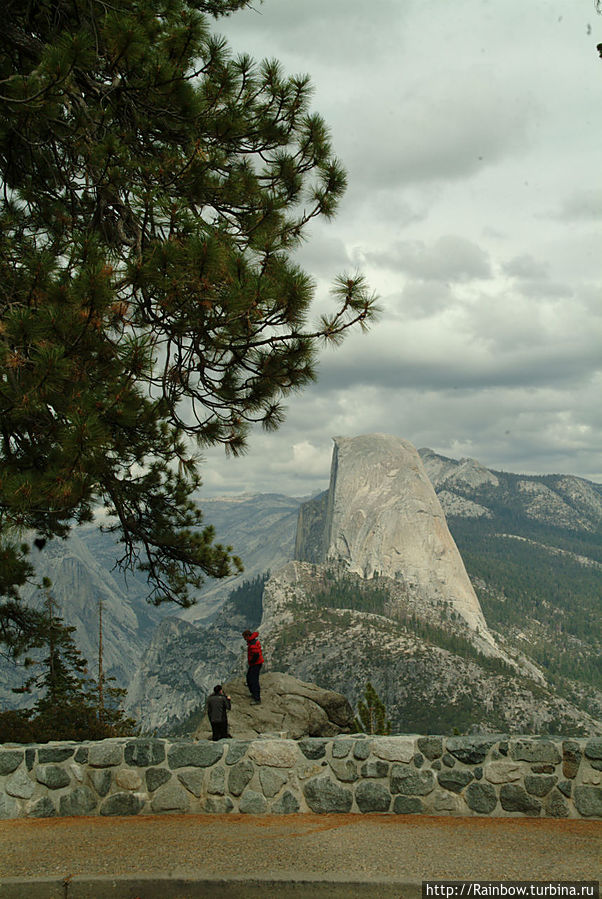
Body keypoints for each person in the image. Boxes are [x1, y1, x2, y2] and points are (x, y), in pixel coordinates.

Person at [242, 629, 263, 704]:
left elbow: (256, 654)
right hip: (256, 663)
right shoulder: (253, 641)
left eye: (244, 638)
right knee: (249, 677)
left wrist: (252, 661)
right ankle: (253, 693)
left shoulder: (252, 644)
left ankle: (257, 699)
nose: (244, 639)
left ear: (247, 636)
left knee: (254, 680)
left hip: (256, 664)